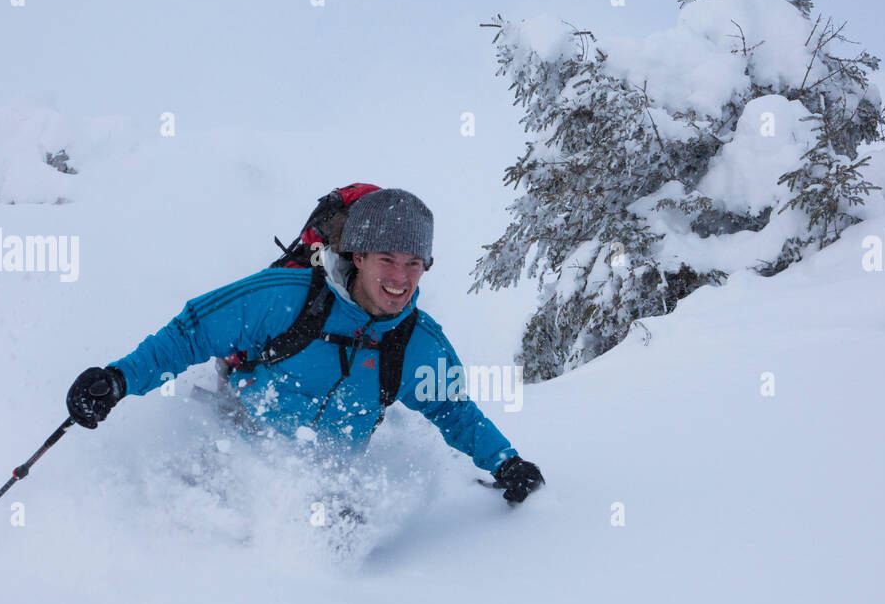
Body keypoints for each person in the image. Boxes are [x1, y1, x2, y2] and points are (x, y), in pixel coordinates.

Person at [65, 187, 544, 504]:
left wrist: (507, 463)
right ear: (358, 255)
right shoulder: (284, 299)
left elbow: (453, 409)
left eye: (415, 263)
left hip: (330, 479)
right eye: (387, 259)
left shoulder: (416, 341)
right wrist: (118, 379)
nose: (401, 278)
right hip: (235, 436)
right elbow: (190, 333)